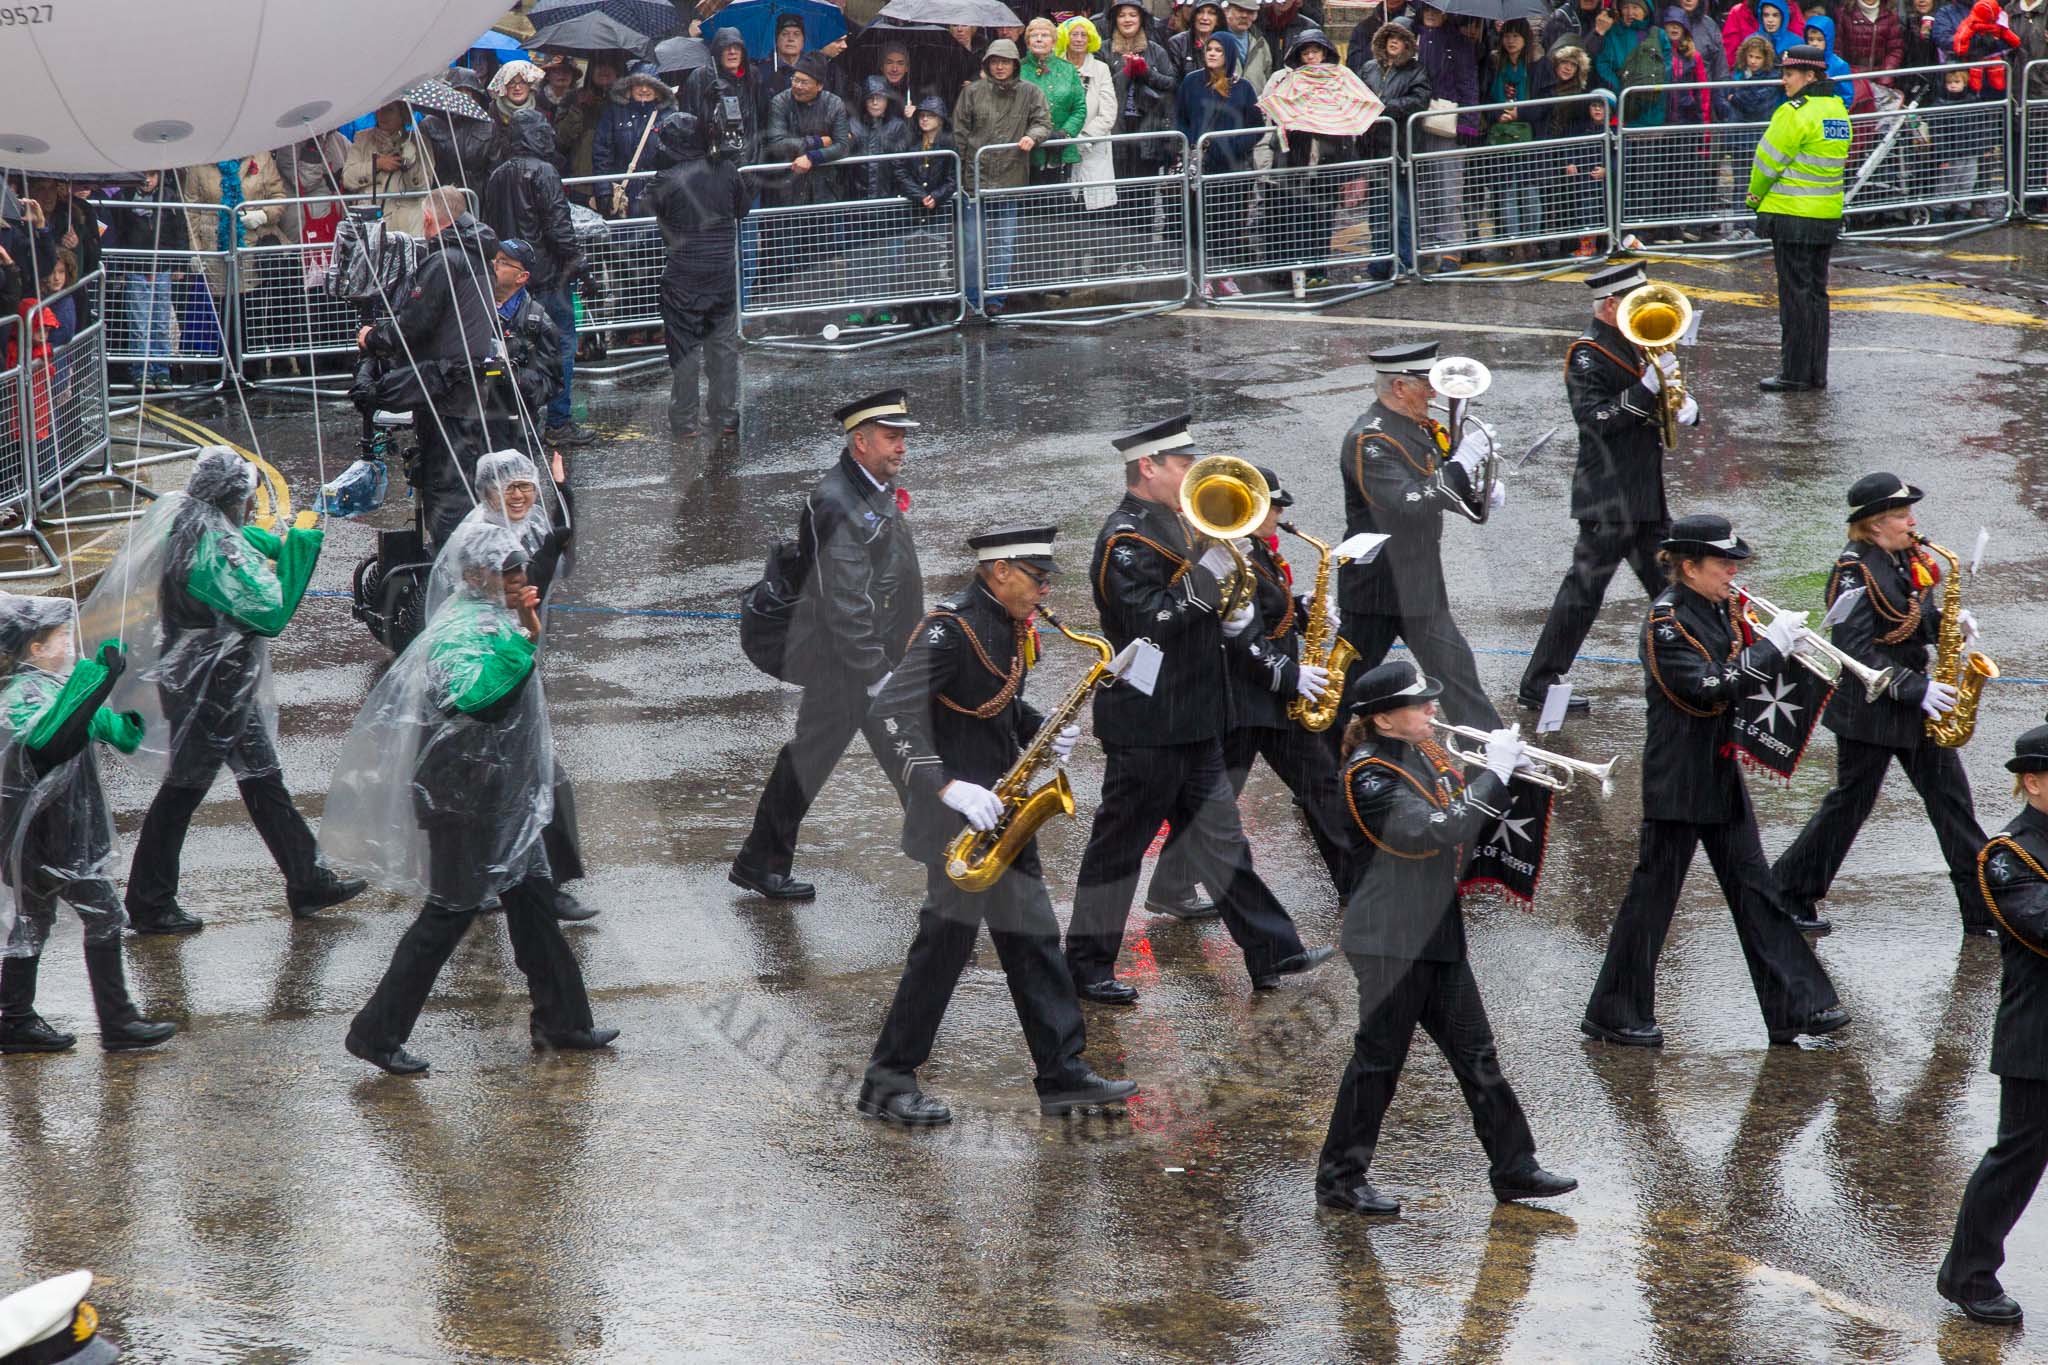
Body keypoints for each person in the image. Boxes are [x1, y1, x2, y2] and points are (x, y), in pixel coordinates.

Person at [859, 526, 1139, 1125]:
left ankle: (1063, 1075)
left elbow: (998, 705)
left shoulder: (1009, 625)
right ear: (1001, 571)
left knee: (1034, 941)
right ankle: (887, 1081)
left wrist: (1044, 730)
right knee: (942, 951)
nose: (1044, 592)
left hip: (1003, 812)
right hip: (957, 820)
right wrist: (946, 786)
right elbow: (890, 713)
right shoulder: (950, 630)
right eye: (1038, 580)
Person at [1065, 416, 1334, 1004]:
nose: (1194, 474)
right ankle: (1085, 966)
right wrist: (1203, 586)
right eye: (1183, 464)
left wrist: (1243, 612)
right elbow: (1149, 623)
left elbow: (1214, 609)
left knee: (1220, 839)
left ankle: (1272, 951)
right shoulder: (1125, 540)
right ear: (1148, 467)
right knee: (1120, 847)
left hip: (1196, 715)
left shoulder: (1186, 524)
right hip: (1148, 723)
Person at [330, 527, 615, 1076]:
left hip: (501, 798)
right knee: (447, 917)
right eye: (507, 571)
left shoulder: (496, 618)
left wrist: (525, 629)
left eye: (519, 568)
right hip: (462, 804)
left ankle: (564, 1019)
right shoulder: (462, 629)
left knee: (533, 905)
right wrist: (523, 641)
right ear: (474, 575)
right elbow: (475, 699)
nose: (519, 579)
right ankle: (375, 1032)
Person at [1314, 661, 1577, 1215]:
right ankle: (1340, 1179)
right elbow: (1441, 829)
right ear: (1385, 718)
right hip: (1390, 942)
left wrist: (1514, 776)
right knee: (1379, 1061)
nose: (1434, 708)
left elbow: (1463, 810)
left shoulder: (1420, 756)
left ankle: (1514, 1166)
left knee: (1477, 1054)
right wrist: (1495, 776)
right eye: (1420, 703)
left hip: (1434, 934)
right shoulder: (1370, 778)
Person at [1580, 513, 1850, 1049]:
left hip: (1719, 770)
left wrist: (1781, 650)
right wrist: (1770, 649)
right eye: (1723, 563)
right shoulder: (1666, 623)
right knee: (1651, 902)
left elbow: (1742, 669)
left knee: (1756, 891)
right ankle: (1614, 1011)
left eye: (1733, 563)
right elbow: (1708, 688)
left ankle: (1795, 1007)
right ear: (1689, 566)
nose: (1733, 572)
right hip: (1678, 780)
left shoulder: (1722, 606)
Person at [81, 449, 364, 935]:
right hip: (205, 689)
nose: (253, 507)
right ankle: (149, 902)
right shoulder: (210, 550)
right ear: (232, 498)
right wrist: (301, 546)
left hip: (220, 683)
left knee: (263, 778)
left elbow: (241, 539)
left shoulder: (191, 515)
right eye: (249, 499)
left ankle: (307, 878)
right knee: (183, 792)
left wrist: (275, 542)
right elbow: (270, 612)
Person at [1771, 475, 1992, 936]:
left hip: (1914, 706)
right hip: (1869, 710)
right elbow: (1853, 651)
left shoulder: (1905, 557)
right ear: (1873, 525)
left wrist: (1946, 622)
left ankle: (1984, 910)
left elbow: (1908, 619)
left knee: (1952, 804)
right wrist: (1917, 689)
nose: (1912, 521)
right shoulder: (1853, 572)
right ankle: (1787, 893)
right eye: (1900, 514)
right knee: (1849, 805)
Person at [731, 393, 924, 901]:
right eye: (890, 437)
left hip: (866, 658)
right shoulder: (837, 500)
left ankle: (759, 861)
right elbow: (844, 601)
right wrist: (879, 675)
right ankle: (954, 867)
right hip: (853, 663)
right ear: (859, 442)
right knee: (909, 756)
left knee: (820, 757)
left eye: (903, 436)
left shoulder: (871, 485)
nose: (901, 446)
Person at [1148, 466, 1355, 917]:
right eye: (1273, 506)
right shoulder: (1226, 557)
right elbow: (1236, 637)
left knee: (1311, 783)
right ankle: (1356, 886)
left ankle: (1171, 886)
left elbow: (1267, 615)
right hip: (1248, 700)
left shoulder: (1256, 549)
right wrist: (1290, 674)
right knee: (1303, 785)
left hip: (1265, 698)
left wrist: (1302, 610)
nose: (1279, 514)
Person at [1519, 263, 1698, 715]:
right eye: (1635, 302)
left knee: (1676, 587)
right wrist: (1644, 391)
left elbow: (1652, 406)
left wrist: (1680, 406)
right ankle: (1538, 684)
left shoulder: (1641, 342)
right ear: (1612, 305)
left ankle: (1694, 669)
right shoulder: (1587, 354)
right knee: (1582, 596)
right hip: (1608, 498)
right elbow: (1595, 420)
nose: (1648, 309)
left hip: (1645, 496)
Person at [423, 451, 592, 926]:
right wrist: (550, 551)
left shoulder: (530, 522)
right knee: (508, 785)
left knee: (541, 779)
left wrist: (564, 500)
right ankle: (496, 888)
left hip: (512, 666)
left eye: (526, 485)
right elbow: (516, 584)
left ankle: (543, 887)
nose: (519, 495)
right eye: (508, 487)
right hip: (484, 672)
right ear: (486, 491)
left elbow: (556, 563)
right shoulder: (479, 537)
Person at [0, 601, 174, 1055]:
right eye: (62, 638)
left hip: (61, 836)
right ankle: (118, 1023)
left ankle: (15, 1020)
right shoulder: (22, 694)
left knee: (31, 921)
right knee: (103, 916)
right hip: (44, 838)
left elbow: (118, 731)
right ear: (36, 648)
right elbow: (49, 741)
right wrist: (95, 682)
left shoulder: (57, 684)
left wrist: (108, 687)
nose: (71, 646)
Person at [1936, 723, 2048, 1328]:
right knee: (2018, 1159)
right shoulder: (2008, 856)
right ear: (2031, 781)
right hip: (2039, 1036)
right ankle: (1968, 1273)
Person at [1336, 342, 1503, 733]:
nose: (1434, 392)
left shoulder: (1420, 428)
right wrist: (1461, 466)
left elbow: (1436, 486)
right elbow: (1408, 500)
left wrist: (1481, 491)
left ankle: (1496, 768)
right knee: (1343, 694)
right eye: (1425, 383)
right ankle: (1319, 776)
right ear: (1398, 387)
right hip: (1376, 588)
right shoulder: (1369, 440)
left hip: (1419, 583)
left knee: (1460, 681)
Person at [357, 188, 520, 547]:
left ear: (429, 219)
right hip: (472, 393)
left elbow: (414, 324)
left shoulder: (445, 261)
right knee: (466, 483)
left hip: (446, 394)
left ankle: (457, 573)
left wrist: (373, 338)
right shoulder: (478, 258)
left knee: (447, 492)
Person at [483, 109, 591, 448]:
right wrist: (581, 267)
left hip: (509, 279)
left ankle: (524, 423)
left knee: (515, 352)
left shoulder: (497, 174)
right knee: (559, 348)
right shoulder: (544, 172)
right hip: (547, 278)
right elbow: (560, 229)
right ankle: (558, 422)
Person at [1747, 44, 1847, 393]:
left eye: (1789, 74)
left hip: (1792, 217)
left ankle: (1794, 372)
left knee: (1795, 299)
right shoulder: (1836, 109)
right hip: (1825, 216)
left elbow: (1767, 162)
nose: (1783, 80)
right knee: (1816, 297)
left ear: (1810, 76)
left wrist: (1754, 197)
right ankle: (1815, 372)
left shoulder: (1793, 112)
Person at [647, 111, 748, 439]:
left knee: (685, 351)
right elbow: (742, 209)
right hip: (720, 276)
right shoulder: (727, 170)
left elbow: (655, 215)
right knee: (723, 350)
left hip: (684, 278)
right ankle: (725, 417)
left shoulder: (665, 178)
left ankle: (685, 422)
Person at [954, 39, 1053, 317]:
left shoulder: (1030, 92)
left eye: (1005, 61)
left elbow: (1044, 122)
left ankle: (996, 297)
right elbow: (959, 133)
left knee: (1003, 245)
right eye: (995, 61)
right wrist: (962, 173)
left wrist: (1031, 137)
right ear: (987, 63)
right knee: (972, 245)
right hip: (974, 179)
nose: (1000, 67)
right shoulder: (972, 92)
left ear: (1014, 65)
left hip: (1010, 178)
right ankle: (973, 297)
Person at [1179, 33, 1263, 298]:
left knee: (1229, 222)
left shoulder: (1243, 87)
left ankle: (1225, 275)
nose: (1212, 54)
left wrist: (1236, 145)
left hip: (1233, 168)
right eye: (1209, 49)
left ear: (1229, 55)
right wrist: (1190, 144)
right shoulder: (1192, 82)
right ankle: (1202, 275)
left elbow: (1256, 126)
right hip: (1201, 166)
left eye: (1219, 50)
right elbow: (1180, 118)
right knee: (1201, 223)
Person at [1359, 23, 1433, 278]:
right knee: (1378, 212)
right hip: (1374, 151)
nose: (1394, 42)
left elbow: (1419, 101)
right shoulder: (1369, 68)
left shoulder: (1416, 70)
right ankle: (1380, 263)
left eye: (1400, 38)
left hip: (1401, 149)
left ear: (1407, 44)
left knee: (1402, 211)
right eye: (1390, 36)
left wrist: (1384, 107)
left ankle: (1406, 260)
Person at [340, 101, 430, 235]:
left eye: (390, 110)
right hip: (370, 221)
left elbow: (424, 184)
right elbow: (347, 178)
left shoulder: (419, 141)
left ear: (402, 114)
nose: (382, 115)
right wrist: (377, 165)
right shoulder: (362, 138)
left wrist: (410, 163)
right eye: (379, 109)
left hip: (407, 224)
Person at [686, 27, 763, 167]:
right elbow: (689, 121)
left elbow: (761, 117)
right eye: (726, 48)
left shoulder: (752, 76)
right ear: (717, 52)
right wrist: (708, 101)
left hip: (748, 159)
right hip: (710, 162)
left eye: (736, 47)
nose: (732, 52)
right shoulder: (700, 77)